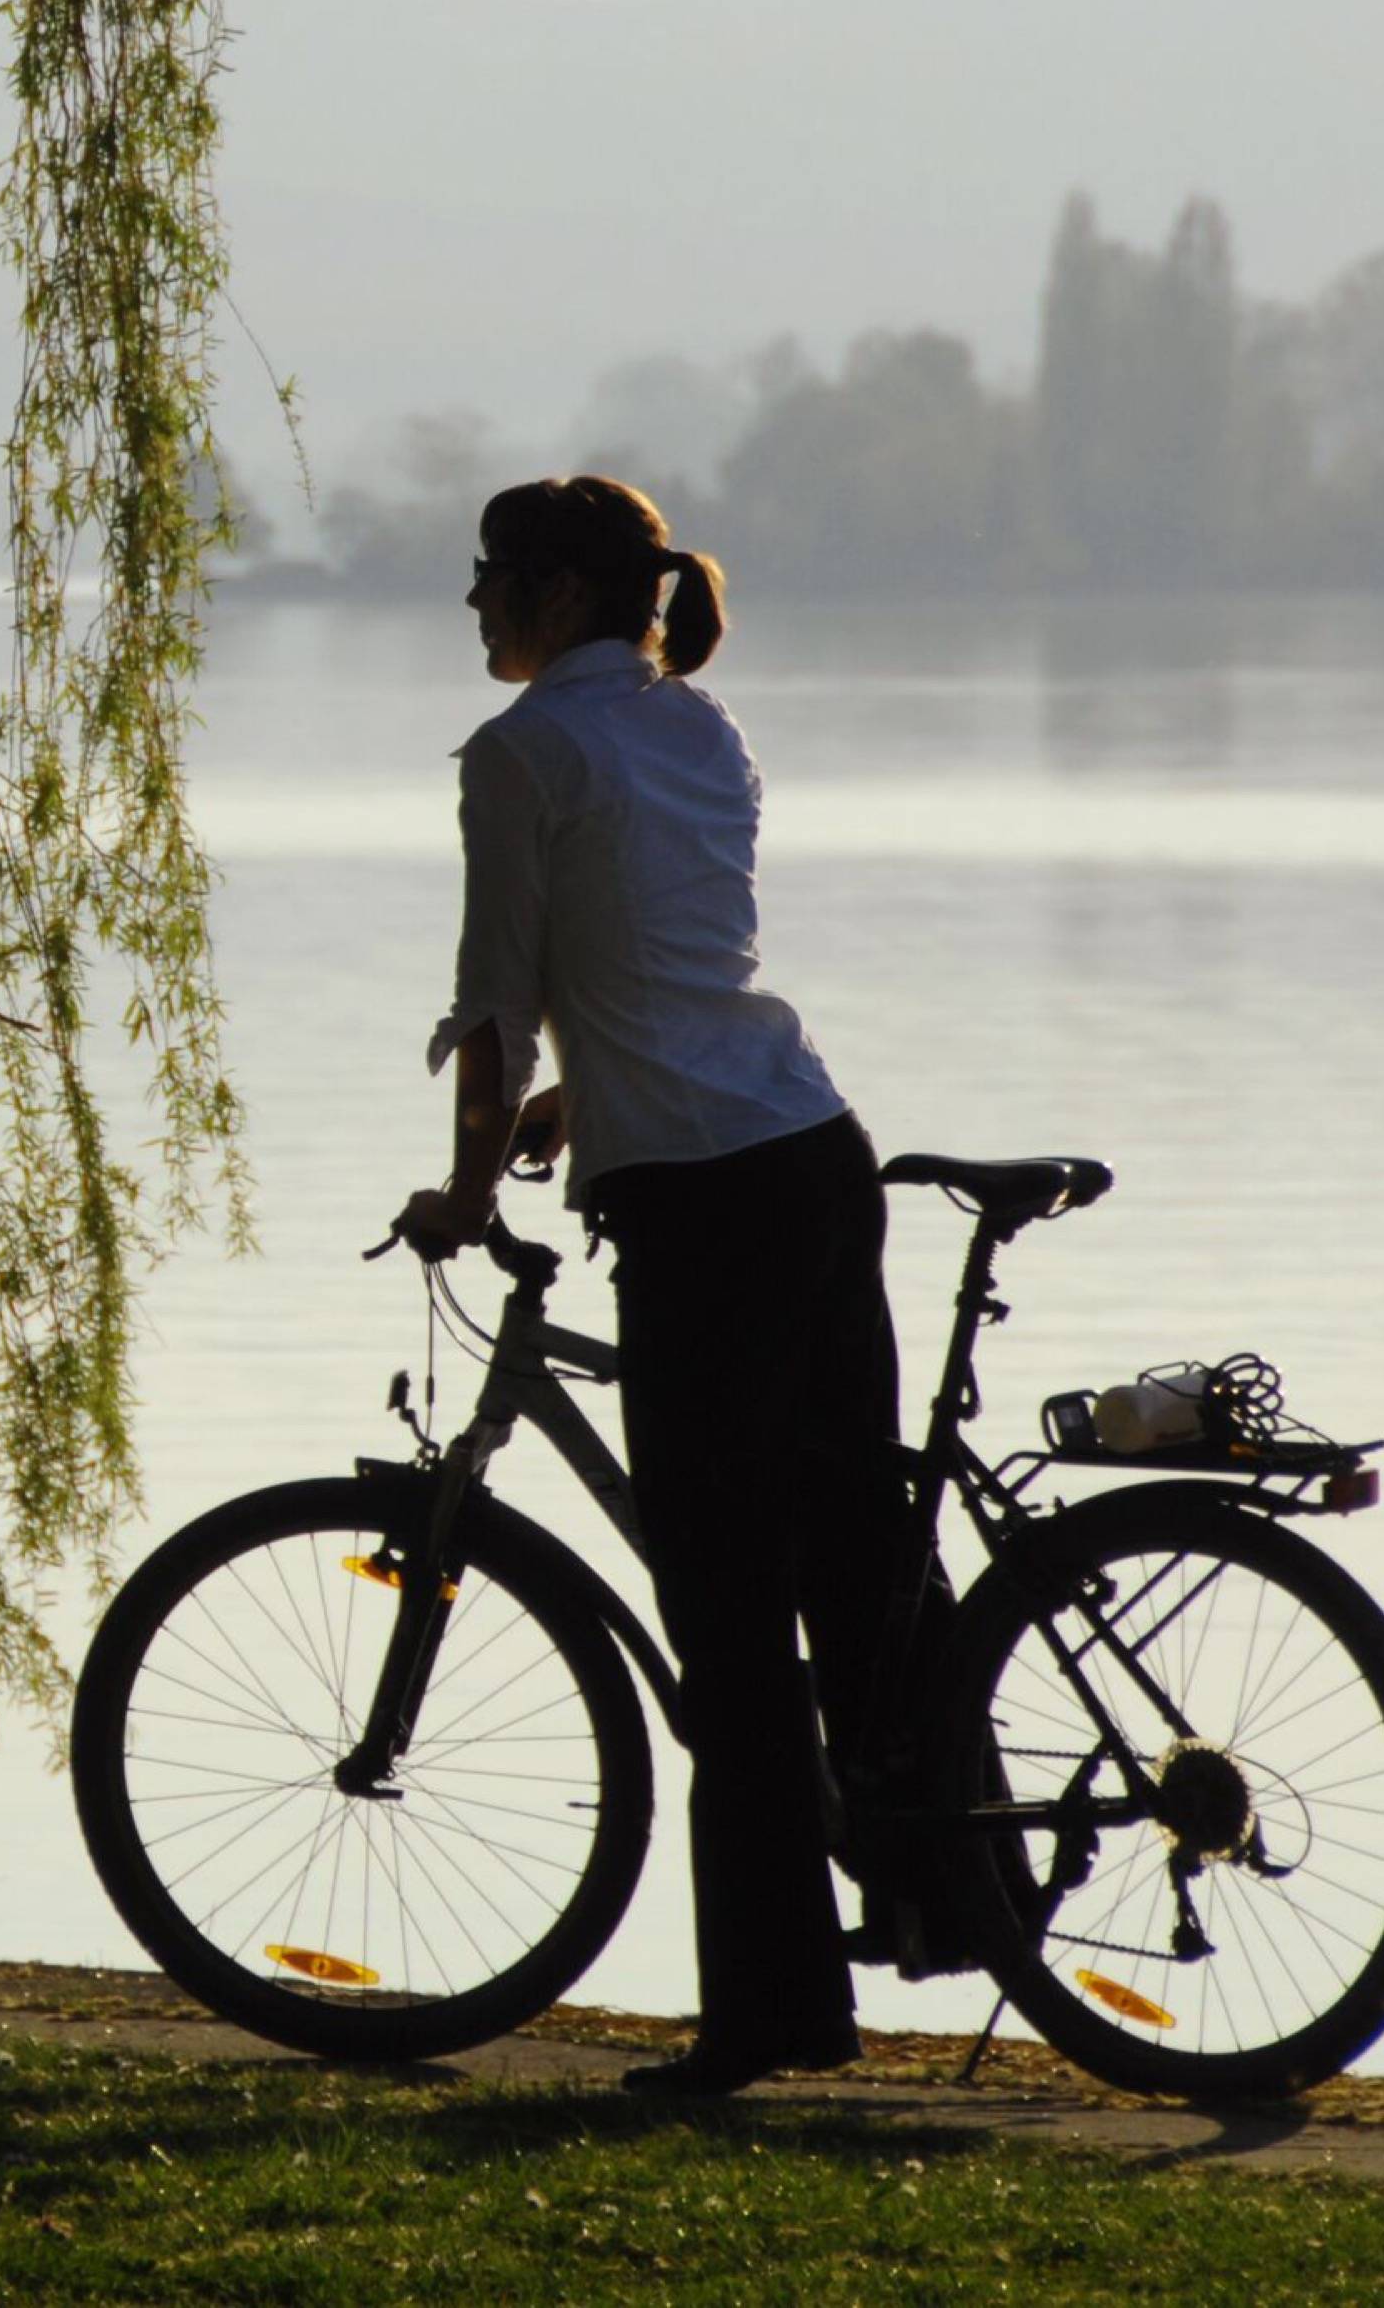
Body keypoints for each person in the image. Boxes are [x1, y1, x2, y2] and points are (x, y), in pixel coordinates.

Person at [392, 473, 913, 2100]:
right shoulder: (697, 725)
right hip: (806, 1151)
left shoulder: (519, 751)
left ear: (551, 594)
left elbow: (496, 1005)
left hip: (698, 1201)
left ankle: (768, 2015)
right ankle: (943, 1886)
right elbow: (665, 966)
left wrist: (464, 1188)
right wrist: (585, 1093)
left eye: (485, 573)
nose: (469, 601)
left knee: (726, 1615)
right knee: (855, 1560)